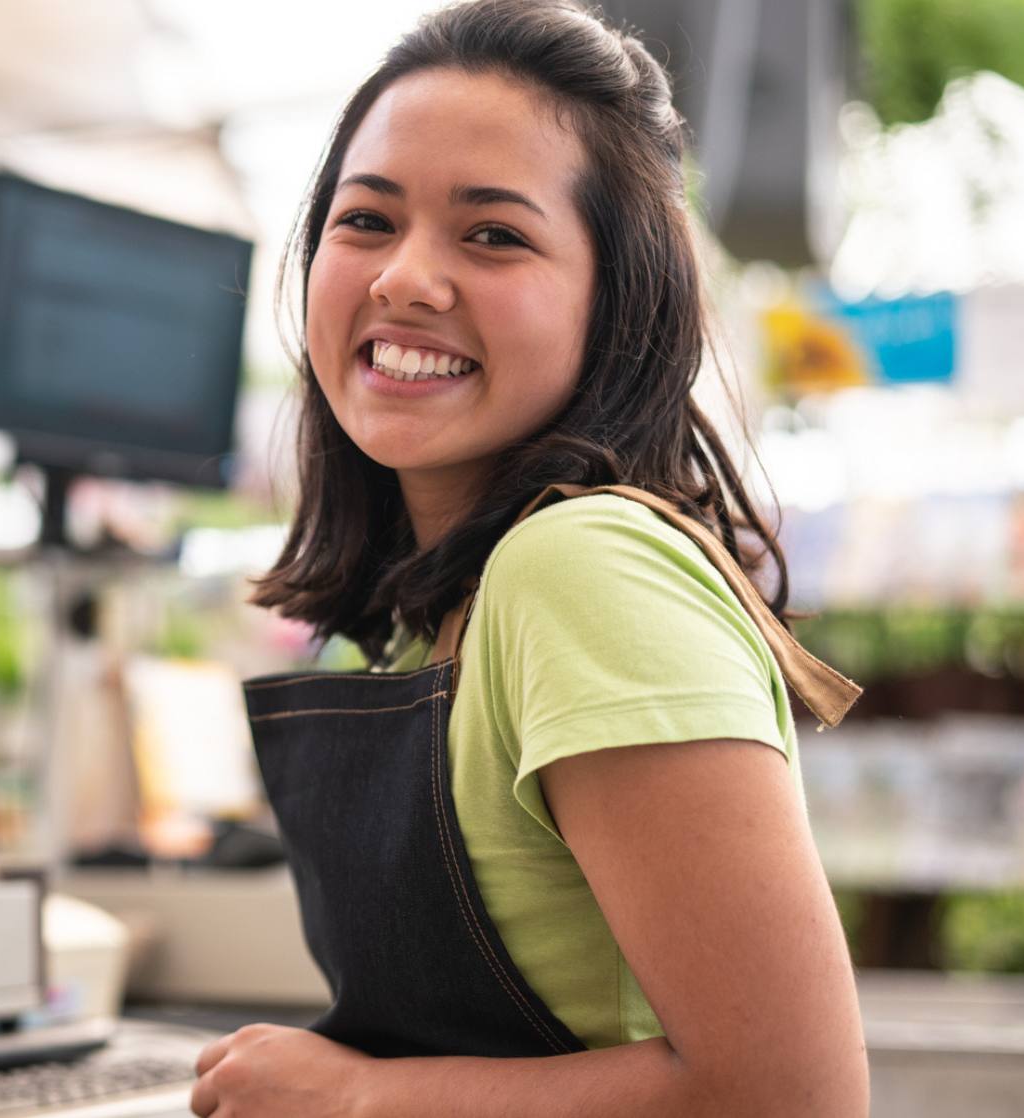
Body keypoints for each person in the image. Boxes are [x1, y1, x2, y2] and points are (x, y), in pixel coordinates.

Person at [192, 2, 869, 1114]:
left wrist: (360, 1098)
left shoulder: (580, 563)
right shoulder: (443, 604)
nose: (406, 277)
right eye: (366, 219)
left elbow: (789, 1096)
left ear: (618, 302)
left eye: (493, 233)